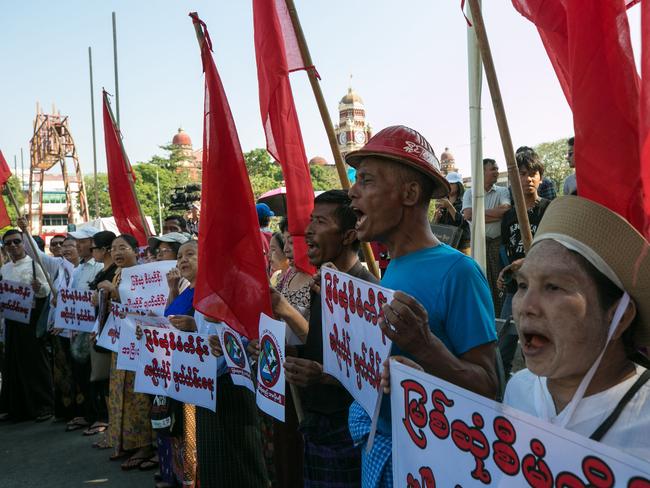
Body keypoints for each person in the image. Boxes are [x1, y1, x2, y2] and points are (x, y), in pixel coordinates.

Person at [346, 125, 498, 487]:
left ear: (410, 193)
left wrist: (425, 347)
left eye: (366, 180)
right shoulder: (391, 268)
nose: (352, 192)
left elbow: (488, 388)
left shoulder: (459, 272)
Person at [504, 196, 650, 460]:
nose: (527, 306)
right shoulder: (518, 390)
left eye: (554, 287)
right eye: (522, 286)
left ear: (620, 315)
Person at [271, 189, 378, 486]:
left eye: (320, 221)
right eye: (310, 221)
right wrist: (288, 353)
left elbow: (377, 376)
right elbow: (322, 350)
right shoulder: (324, 286)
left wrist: (325, 377)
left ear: (347, 235)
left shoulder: (368, 294)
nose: (307, 232)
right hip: (316, 423)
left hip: (349, 431)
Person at [96, 234, 154, 469]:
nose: (118, 252)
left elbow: (144, 305)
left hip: (139, 344)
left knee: (137, 395)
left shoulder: (145, 274)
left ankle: (144, 444)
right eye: (114, 248)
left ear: (135, 251)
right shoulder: (118, 273)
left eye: (123, 248)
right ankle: (124, 441)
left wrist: (114, 291)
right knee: (120, 392)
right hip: (120, 342)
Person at [0, 229, 54, 421]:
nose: (13, 246)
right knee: (13, 362)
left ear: (24, 244)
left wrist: (39, 289)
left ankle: (44, 405)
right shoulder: (4, 269)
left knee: (35, 362)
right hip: (12, 321)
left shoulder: (35, 264)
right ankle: (16, 407)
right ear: (5, 248)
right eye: (9, 243)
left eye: (17, 242)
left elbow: (47, 290)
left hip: (31, 321)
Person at [499, 147, 551, 320]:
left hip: (545, 286)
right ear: (514, 179)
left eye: (533, 173)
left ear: (540, 178)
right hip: (516, 287)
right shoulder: (508, 216)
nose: (528, 178)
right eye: (522, 173)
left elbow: (554, 248)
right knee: (505, 338)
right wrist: (503, 272)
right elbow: (505, 248)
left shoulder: (550, 209)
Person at [65, 226, 103, 433]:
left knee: (94, 373)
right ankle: (87, 413)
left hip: (93, 329)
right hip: (77, 330)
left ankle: (99, 416)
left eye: (82, 241)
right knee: (80, 373)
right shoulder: (78, 268)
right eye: (77, 242)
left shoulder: (99, 267)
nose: (78, 245)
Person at [462, 158, 511, 316]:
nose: (497, 172)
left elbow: (505, 211)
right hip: (479, 245)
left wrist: (478, 214)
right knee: (482, 283)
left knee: (500, 283)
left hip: (497, 244)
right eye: (493, 169)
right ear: (482, 172)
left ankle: (500, 318)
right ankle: (486, 317)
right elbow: (468, 215)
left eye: (497, 169)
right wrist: (493, 214)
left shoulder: (502, 191)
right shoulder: (470, 193)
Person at [85, 230, 118, 437]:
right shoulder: (101, 272)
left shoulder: (116, 273)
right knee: (103, 380)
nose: (91, 252)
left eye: (93, 247)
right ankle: (112, 428)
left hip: (113, 333)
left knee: (108, 380)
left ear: (104, 250)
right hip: (101, 330)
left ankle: (111, 425)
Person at [434, 171, 470, 254]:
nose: (448, 186)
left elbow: (462, 222)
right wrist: (437, 217)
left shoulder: (465, 201)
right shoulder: (442, 202)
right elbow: (436, 226)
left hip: (461, 246)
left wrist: (449, 206)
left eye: (451, 183)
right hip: (446, 244)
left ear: (459, 185)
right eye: (447, 183)